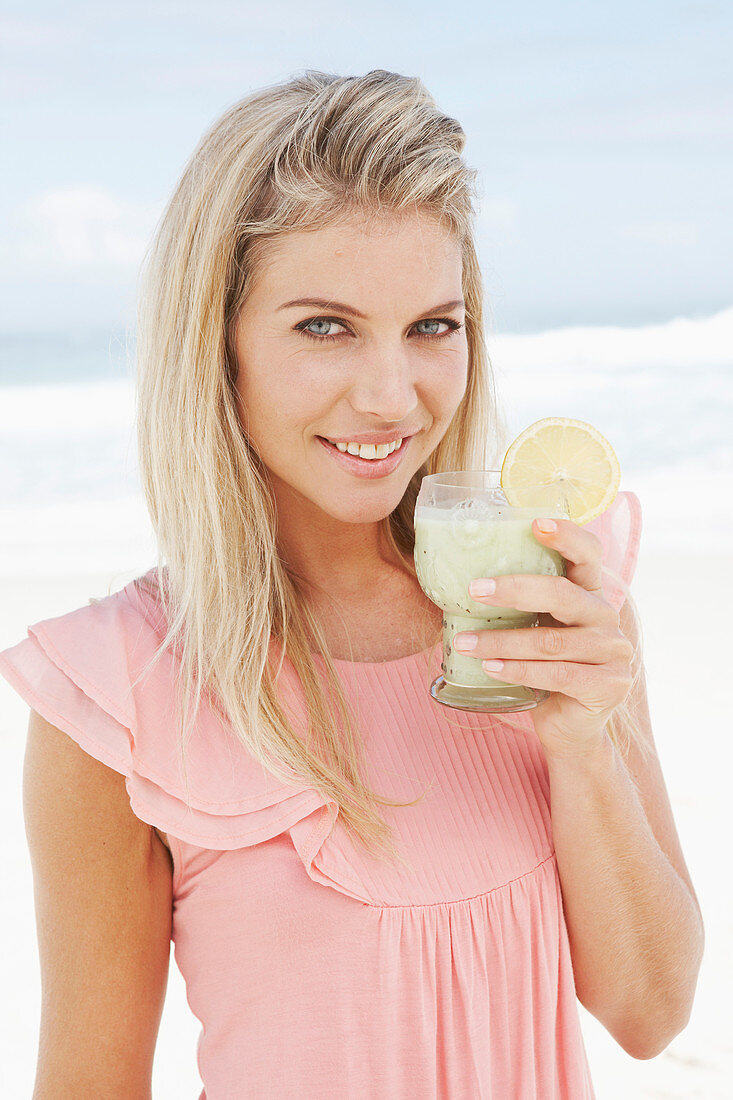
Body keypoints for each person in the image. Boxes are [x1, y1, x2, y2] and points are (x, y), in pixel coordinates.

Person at [0, 69, 703, 1099]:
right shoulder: (116, 693)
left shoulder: (551, 611)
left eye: (433, 325)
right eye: (323, 326)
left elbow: (650, 1013)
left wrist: (579, 741)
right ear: (220, 342)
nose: (389, 396)